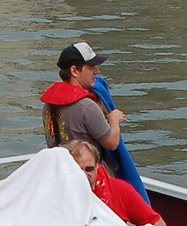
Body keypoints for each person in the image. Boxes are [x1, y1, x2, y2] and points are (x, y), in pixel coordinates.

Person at [42, 41, 126, 170]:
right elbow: (112, 143)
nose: (97, 71)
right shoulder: (86, 107)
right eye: (91, 67)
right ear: (74, 71)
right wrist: (113, 119)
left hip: (60, 171)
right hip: (87, 174)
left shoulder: (49, 104)